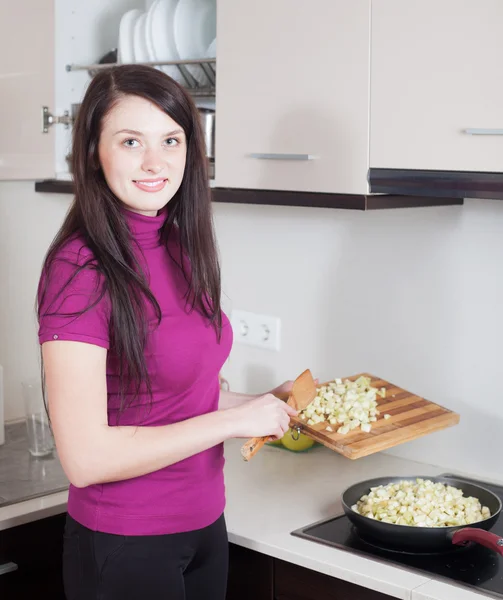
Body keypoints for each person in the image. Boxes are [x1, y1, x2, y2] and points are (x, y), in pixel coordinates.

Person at [37, 64, 297, 600]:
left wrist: (268, 402)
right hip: (126, 543)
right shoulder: (79, 269)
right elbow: (85, 459)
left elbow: (176, 394)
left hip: (205, 526)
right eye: (131, 141)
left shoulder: (182, 245)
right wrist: (232, 422)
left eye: (171, 140)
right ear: (93, 151)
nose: (156, 162)